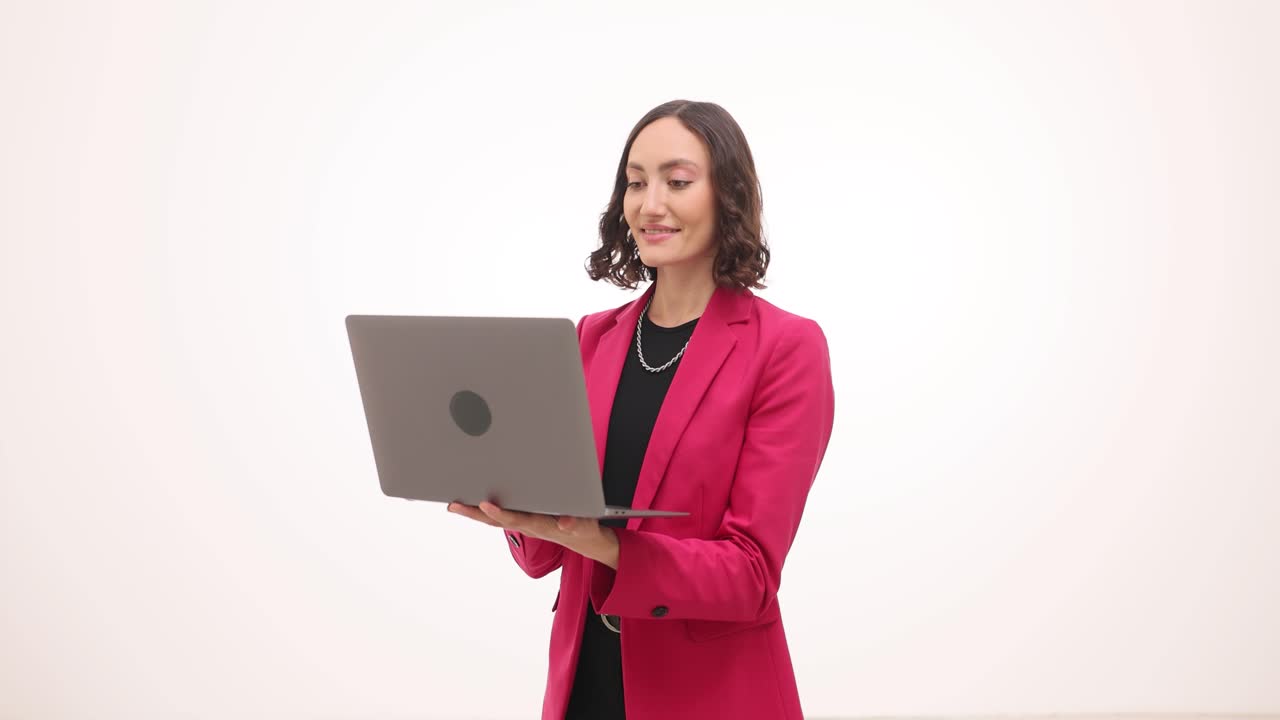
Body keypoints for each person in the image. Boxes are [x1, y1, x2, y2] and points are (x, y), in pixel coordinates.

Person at [446, 99, 835, 720]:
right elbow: (544, 556)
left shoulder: (786, 348)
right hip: (585, 685)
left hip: (709, 695)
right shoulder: (590, 338)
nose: (650, 204)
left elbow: (751, 576)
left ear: (727, 195)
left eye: (677, 182)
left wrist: (605, 546)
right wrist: (514, 507)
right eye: (635, 182)